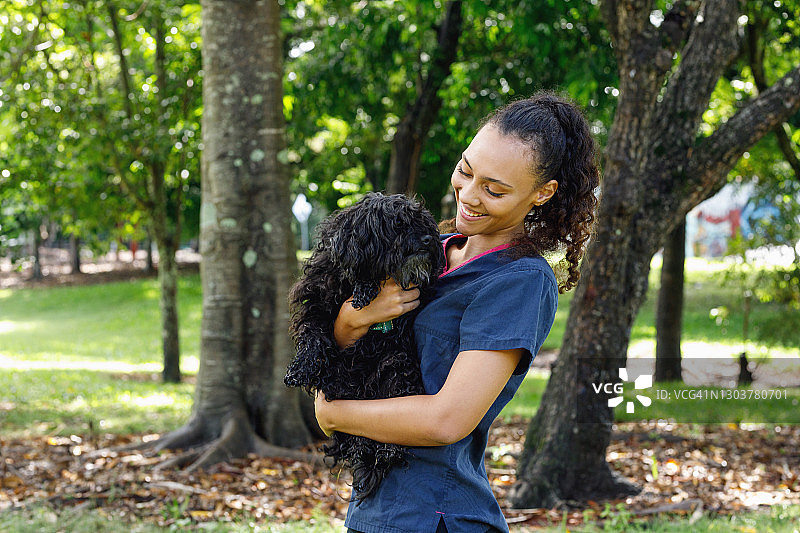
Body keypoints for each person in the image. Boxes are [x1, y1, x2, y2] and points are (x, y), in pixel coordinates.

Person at [315, 92, 600, 533]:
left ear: (542, 193)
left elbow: (447, 419)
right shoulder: (429, 252)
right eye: (466, 171)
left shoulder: (519, 281)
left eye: (494, 189)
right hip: (373, 510)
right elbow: (350, 355)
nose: (468, 195)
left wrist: (334, 414)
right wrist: (351, 320)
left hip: (437, 516)